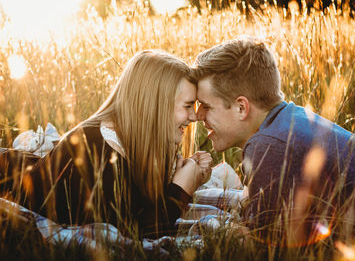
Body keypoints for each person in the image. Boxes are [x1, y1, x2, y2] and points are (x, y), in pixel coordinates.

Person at [192, 37, 355, 246]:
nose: (197, 115)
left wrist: (210, 224)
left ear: (241, 108)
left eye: (206, 106)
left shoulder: (268, 145)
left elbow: (259, 246)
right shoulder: (289, 118)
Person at [0, 50, 213, 238]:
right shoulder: (95, 150)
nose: (194, 116)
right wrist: (180, 190)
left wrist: (179, 177)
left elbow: (139, 208)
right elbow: (138, 234)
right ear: (155, 105)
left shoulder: (133, 142)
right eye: (187, 106)